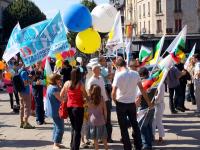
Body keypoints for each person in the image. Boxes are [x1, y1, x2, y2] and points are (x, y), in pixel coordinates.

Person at [111, 57, 153, 150]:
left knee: (123, 127)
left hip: (121, 103)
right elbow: (142, 89)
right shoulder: (135, 73)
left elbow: (113, 92)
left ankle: (127, 147)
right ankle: (138, 145)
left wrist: (115, 101)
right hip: (131, 103)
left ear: (118, 66)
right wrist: (149, 102)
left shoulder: (118, 75)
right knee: (135, 124)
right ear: (125, 64)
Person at [60, 67, 88, 150]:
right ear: (79, 75)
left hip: (69, 107)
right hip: (78, 108)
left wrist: (66, 99)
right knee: (78, 129)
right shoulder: (81, 84)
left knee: (73, 127)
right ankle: (75, 147)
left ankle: (72, 146)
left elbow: (61, 95)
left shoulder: (67, 83)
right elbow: (85, 96)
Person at [137, 67, 156, 150]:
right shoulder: (152, 83)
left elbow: (139, 97)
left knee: (143, 127)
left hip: (144, 108)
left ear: (141, 75)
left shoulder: (142, 84)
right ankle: (149, 143)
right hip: (152, 107)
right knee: (148, 126)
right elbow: (156, 93)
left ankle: (146, 145)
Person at [46, 73, 65, 149]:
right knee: (60, 128)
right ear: (55, 80)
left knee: (56, 126)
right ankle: (55, 144)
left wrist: (60, 87)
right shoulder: (54, 89)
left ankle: (56, 142)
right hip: (56, 110)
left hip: (54, 110)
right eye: (59, 79)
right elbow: (61, 99)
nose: (60, 80)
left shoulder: (51, 86)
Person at [87, 84, 108, 150]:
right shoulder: (101, 98)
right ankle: (106, 148)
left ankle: (96, 148)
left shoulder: (89, 99)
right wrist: (106, 118)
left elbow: (87, 110)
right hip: (101, 120)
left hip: (92, 120)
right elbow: (105, 110)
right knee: (103, 136)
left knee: (95, 138)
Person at [99, 56, 113, 142]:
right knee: (106, 116)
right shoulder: (102, 69)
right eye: (104, 61)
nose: (105, 62)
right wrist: (110, 69)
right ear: (100, 62)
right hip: (106, 90)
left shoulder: (101, 69)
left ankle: (104, 137)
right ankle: (107, 137)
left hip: (106, 90)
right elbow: (109, 77)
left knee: (105, 117)